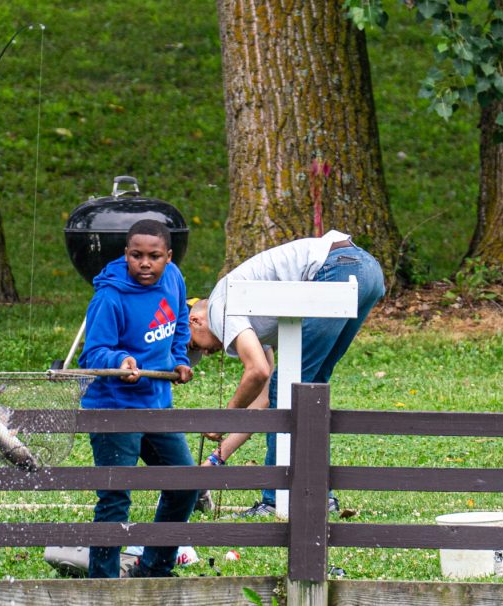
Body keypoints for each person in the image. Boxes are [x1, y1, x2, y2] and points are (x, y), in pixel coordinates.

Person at [187, 231, 385, 517]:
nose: (204, 353)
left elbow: (258, 371)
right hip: (367, 272)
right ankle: (321, 497)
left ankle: (274, 501)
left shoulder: (219, 307)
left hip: (337, 268)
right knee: (309, 390)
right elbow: (266, 400)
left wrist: (224, 418)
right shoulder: (251, 313)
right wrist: (217, 458)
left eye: (195, 346)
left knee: (293, 390)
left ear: (195, 321)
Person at [80, 218, 198, 579]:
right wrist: (120, 361)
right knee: (116, 497)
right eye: (136, 255)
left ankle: (154, 570)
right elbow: (93, 354)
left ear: (169, 257)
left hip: (156, 403)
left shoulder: (174, 278)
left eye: (154, 256)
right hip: (114, 407)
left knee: (185, 484)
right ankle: (102, 583)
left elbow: (179, 320)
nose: (145, 263)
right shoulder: (109, 297)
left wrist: (179, 358)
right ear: (125, 255)